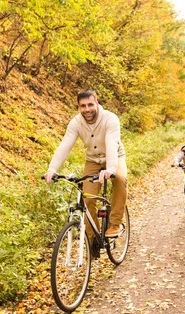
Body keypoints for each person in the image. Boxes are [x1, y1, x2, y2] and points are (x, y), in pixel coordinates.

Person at [44, 89, 127, 250]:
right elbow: (65, 145)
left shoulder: (110, 119)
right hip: (93, 160)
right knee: (87, 198)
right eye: (83, 106)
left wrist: (110, 168)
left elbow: (111, 143)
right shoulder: (76, 123)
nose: (87, 109)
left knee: (120, 178)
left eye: (90, 104)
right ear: (78, 107)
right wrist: (52, 169)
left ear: (97, 103)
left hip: (115, 157)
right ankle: (93, 237)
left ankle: (115, 224)